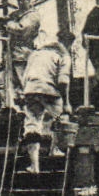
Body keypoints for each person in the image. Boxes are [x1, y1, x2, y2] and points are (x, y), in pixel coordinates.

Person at [19, 32, 73, 172]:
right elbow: (63, 81)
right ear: (69, 43)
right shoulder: (64, 55)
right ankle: (55, 149)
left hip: (30, 90)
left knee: (32, 126)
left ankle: (34, 166)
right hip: (49, 90)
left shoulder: (35, 54)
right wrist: (66, 103)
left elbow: (24, 78)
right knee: (61, 118)